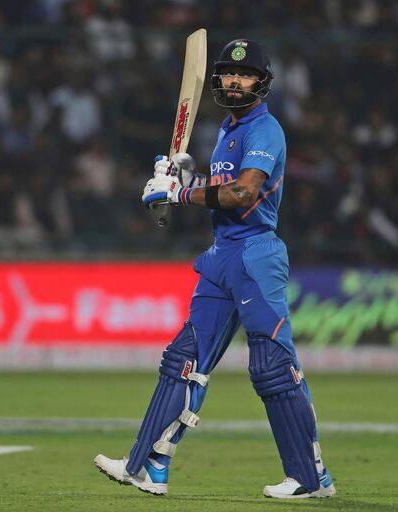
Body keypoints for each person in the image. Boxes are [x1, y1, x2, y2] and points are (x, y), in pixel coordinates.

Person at [94, 39, 336, 500]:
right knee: (182, 360)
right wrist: (184, 177)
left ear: (261, 83)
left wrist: (182, 194)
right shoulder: (226, 130)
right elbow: (221, 189)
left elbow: (243, 195)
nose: (233, 80)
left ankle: (310, 477)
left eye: (243, 75)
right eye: (226, 73)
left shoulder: (265, 130)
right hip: (222, 255)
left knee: (272, 369)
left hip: (255, 256)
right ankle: (146, 465)